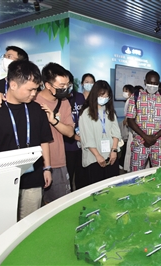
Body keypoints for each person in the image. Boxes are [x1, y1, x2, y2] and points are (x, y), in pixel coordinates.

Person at [0, 60, 53, 220]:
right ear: (13, 85)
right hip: (0, 181)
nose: (34, 93)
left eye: (36, 89)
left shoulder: (36, 110)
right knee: (2, 225)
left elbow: (44, 141)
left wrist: (47, 168)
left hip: (32, 179)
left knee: (29, 223)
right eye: (31, 89)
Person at [35, 62, 74, 203]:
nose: (66, 89)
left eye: (67, 85)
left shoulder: (64, 103)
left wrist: (54, 121)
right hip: (35, 163)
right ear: (48, 85)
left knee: (59, 204)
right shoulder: (33, 100)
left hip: (57, 161)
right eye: (61, 86)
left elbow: (70, 132)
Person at [126, 70, 161, 171]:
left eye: (155, 83)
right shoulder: (135, 97)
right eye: (150, 83)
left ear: (159, 83)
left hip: (159, 143)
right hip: (140, 142)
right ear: (145, 82)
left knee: (160, 174)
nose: (152, 86)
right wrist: (145, 137)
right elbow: (130, 120)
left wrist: (154, 137)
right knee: (136, 174)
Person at [79, 80, 121, 184]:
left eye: (106, 96)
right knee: (96, 189)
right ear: (95, 95)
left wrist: (114, 150)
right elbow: (87, 138)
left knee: (112, 186)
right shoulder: (86, 113)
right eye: (101, 95)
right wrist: (97, 155)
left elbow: (116, 132)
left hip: (111, 156)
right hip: (94, 158)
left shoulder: (109, 111)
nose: (104, 98)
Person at [63, 73, 95, 191]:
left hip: (82, 142)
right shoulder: (62, 99)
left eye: (69, 83)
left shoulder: (80, 97)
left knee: (82, 174)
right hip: (68, 143)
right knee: (69, 174)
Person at [120, 84, 136, 172]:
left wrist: (126, 121)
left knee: (129, 148)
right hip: (130, 127)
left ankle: (128, 167)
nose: (124, 93)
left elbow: (128, 115)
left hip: (131, 127)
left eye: (126, 91)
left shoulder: (130, 101)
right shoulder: (129, 101)